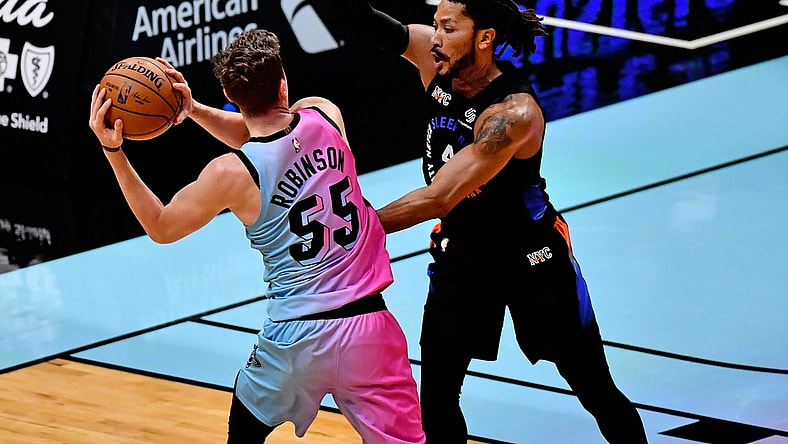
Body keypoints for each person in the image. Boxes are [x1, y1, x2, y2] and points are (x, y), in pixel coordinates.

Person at [327, 0, 648, 442]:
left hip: (532, 262)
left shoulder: (512, 114)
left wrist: (349, 230)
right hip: (462, 256)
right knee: (437, 398)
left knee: (596, 391)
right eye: (436, 25)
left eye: (449, 28)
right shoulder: (434, 60)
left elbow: (439, 198)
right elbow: (354, 17)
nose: (435, 37)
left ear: (485, 37)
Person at [88, 29, 425, 443]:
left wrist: (114, 152)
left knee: (243, 437)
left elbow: (160, 226)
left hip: (295, 337)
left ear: (231, 95)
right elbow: (269, 134)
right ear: (282, 84)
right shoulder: (324, 115)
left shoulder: (230, 174)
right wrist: (192, 110)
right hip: (371, 326)